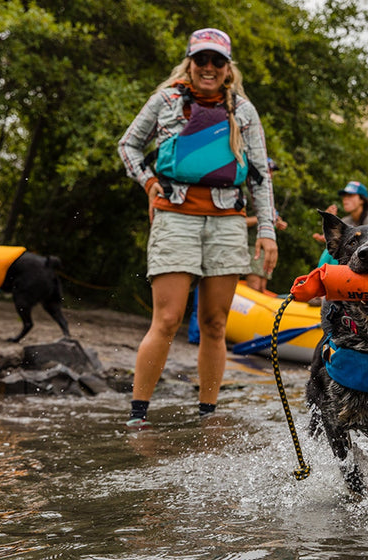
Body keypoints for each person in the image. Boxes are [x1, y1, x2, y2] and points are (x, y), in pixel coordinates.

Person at [117, 28, 277, 426]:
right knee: (168, 318)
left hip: (227, 222)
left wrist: (267, 231)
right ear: (190, 62)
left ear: (227, 68)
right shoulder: (166, 99)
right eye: (201, 60)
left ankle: (207, 414)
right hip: (175, 216)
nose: (208, 68)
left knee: (215, 322)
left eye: (216, 61)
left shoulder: (243, 110)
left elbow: (260, 176)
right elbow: (128, 146)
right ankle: (139, 416)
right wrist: (150, 183)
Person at [313, 181, 368, 266]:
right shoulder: (346, 220)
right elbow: (337, 243)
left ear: (362, 200)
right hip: (353, 260)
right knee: (328, 253)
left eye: (350, 196)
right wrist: (329, 228)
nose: (345, 199)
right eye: (344, 196)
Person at [244, 158, 287, 292]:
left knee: (262, 286)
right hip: (252, 244)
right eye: (268, 170)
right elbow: (240, 221)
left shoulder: (268, 194)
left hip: (267, 245)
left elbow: (271, 216)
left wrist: (277, 222)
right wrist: (261, 219)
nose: (271, 174)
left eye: (272, 171)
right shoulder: (246, 191)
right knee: (254, 285)